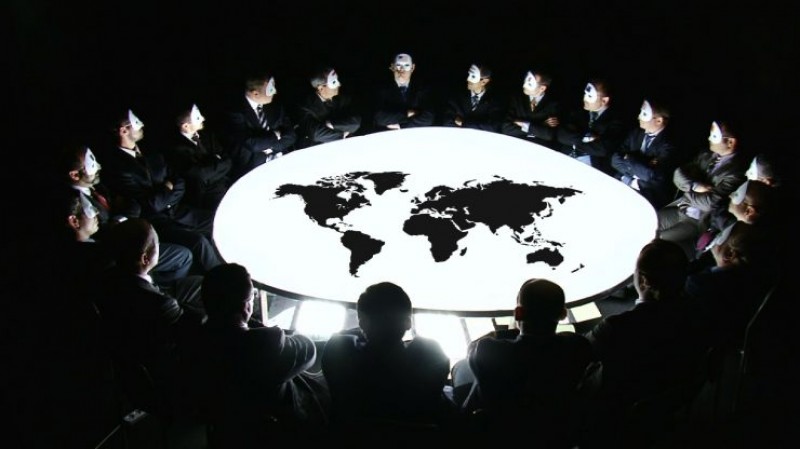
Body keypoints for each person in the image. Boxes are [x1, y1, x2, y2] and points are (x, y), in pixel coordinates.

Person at [582, 239, 707, 448]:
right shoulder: (700, 315)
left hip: (616, 413)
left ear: (644, 280)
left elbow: (577, 354)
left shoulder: (617, 327)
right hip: (667, 402)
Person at [187, 263, 329, 447]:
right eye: (252, 296)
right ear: (245, 306)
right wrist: (281, 335)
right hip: (276, 423)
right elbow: (309, 350)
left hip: (225, 422)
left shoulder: (195, 336)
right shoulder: (266, 344)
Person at [451, 278, 591, 447]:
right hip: (552, 434)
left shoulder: (488, 351)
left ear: (518, 313)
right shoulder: (577, 349)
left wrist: (501, 334)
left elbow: (472, 348)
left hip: (498, 434)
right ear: (563, 314)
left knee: (461, 368)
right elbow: (569, 339)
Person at [93, 218, 206, 415]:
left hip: (129, 347)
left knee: (197, 283)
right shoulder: (161, 304)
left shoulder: (105, 278)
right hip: (167, 368)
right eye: (157, 245)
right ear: (145, 258)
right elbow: (195, 326)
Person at [321, 282, 453, 436]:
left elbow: (342, 337)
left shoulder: (339, 352)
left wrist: (369, 327)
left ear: (362, 322)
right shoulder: (432, 356)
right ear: (408, 322)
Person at [62, 144, 195, 283]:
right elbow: (100, 233)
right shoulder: (73, 202)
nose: (98, 167)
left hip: (137, 232)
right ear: (75, 174)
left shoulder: (98, 185)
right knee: (183, 256)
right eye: (91, 165)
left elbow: (133, 204)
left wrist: (119, 219)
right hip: (124, 252)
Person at [656, 120, 748, 259]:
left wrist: (687, 188)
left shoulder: (736, 172)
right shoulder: (706, 155)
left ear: (730, 142)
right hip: (681, 207)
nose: (709, 138)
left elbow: (710, 203)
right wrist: (695, 186)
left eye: (714, 136)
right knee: (649, 221)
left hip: (697, 220)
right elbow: (678, 174)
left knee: (658, 239)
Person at [221, 73, 297, 180]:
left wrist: (270, 145)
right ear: (255, 94)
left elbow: (291, 136)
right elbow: (252, 144)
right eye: (270, 89)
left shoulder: (275, 105)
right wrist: (277, 135)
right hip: (253, 168)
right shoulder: (235, 112)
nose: (275, 91)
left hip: (281, 159)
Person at [610, 99, 681, 209]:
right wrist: (639, 166)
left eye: (644, 114)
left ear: (659, 120)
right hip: (622, 181)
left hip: (646, 193)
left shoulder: (669, 144)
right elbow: (615, 159)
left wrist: (629, 158)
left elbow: (651, 175)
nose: (639, 117)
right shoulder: (636, 133)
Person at [165, 103, 233, 210]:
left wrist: (211, 168)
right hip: (205, 195)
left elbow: (228, 161)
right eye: (197, 118)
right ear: (186, 126)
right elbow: (198, 175)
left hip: (225, 183)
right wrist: (218, 163)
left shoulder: (208, 136)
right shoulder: (176, 148)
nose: (203, 118)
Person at [556, 78, 627, 174]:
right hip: (566, 157)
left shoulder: (616, 120)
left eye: (590, 96)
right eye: (585, 94)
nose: (585, 99)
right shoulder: (579, 111)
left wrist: (575, 140)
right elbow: (561, 134)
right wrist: (586, 138)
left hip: (592, 167)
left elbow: (603, 148)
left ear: (604, 100)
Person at [297, 67, 362, 148]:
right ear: (321, 88)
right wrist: (342, 135)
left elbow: (355, 122)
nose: (339, 84)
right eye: (333, 82)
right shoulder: (306, 107)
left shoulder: (343, 99)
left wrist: (331, 125)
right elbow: (315, 133)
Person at [372, 53, 435, 131]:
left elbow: (428, 117)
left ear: (412, 68)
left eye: (406, 65)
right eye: (398, 65)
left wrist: (402, 125)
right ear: (392, 67)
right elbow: (379, 118)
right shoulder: (381, 89)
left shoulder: (422, 88)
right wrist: (408, 113)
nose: (402, 70)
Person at [500, 69, 561, 148]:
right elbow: (506, 128)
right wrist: (540, 126)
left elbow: (549, 135)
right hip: (516, 144)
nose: (524, 85)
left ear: (542, 88)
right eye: (525, 81)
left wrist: (524, 124)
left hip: (540, 147)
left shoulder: (553, 104)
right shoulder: (516, 99)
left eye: (530, 83)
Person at [442, 64, 503, 132]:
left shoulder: (494, 100)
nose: (468, 79)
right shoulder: (457, 95)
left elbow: (493, 127)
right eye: (469, 75)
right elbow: (447, 121)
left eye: (473, 76)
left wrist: (464, 123)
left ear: (484, 82)